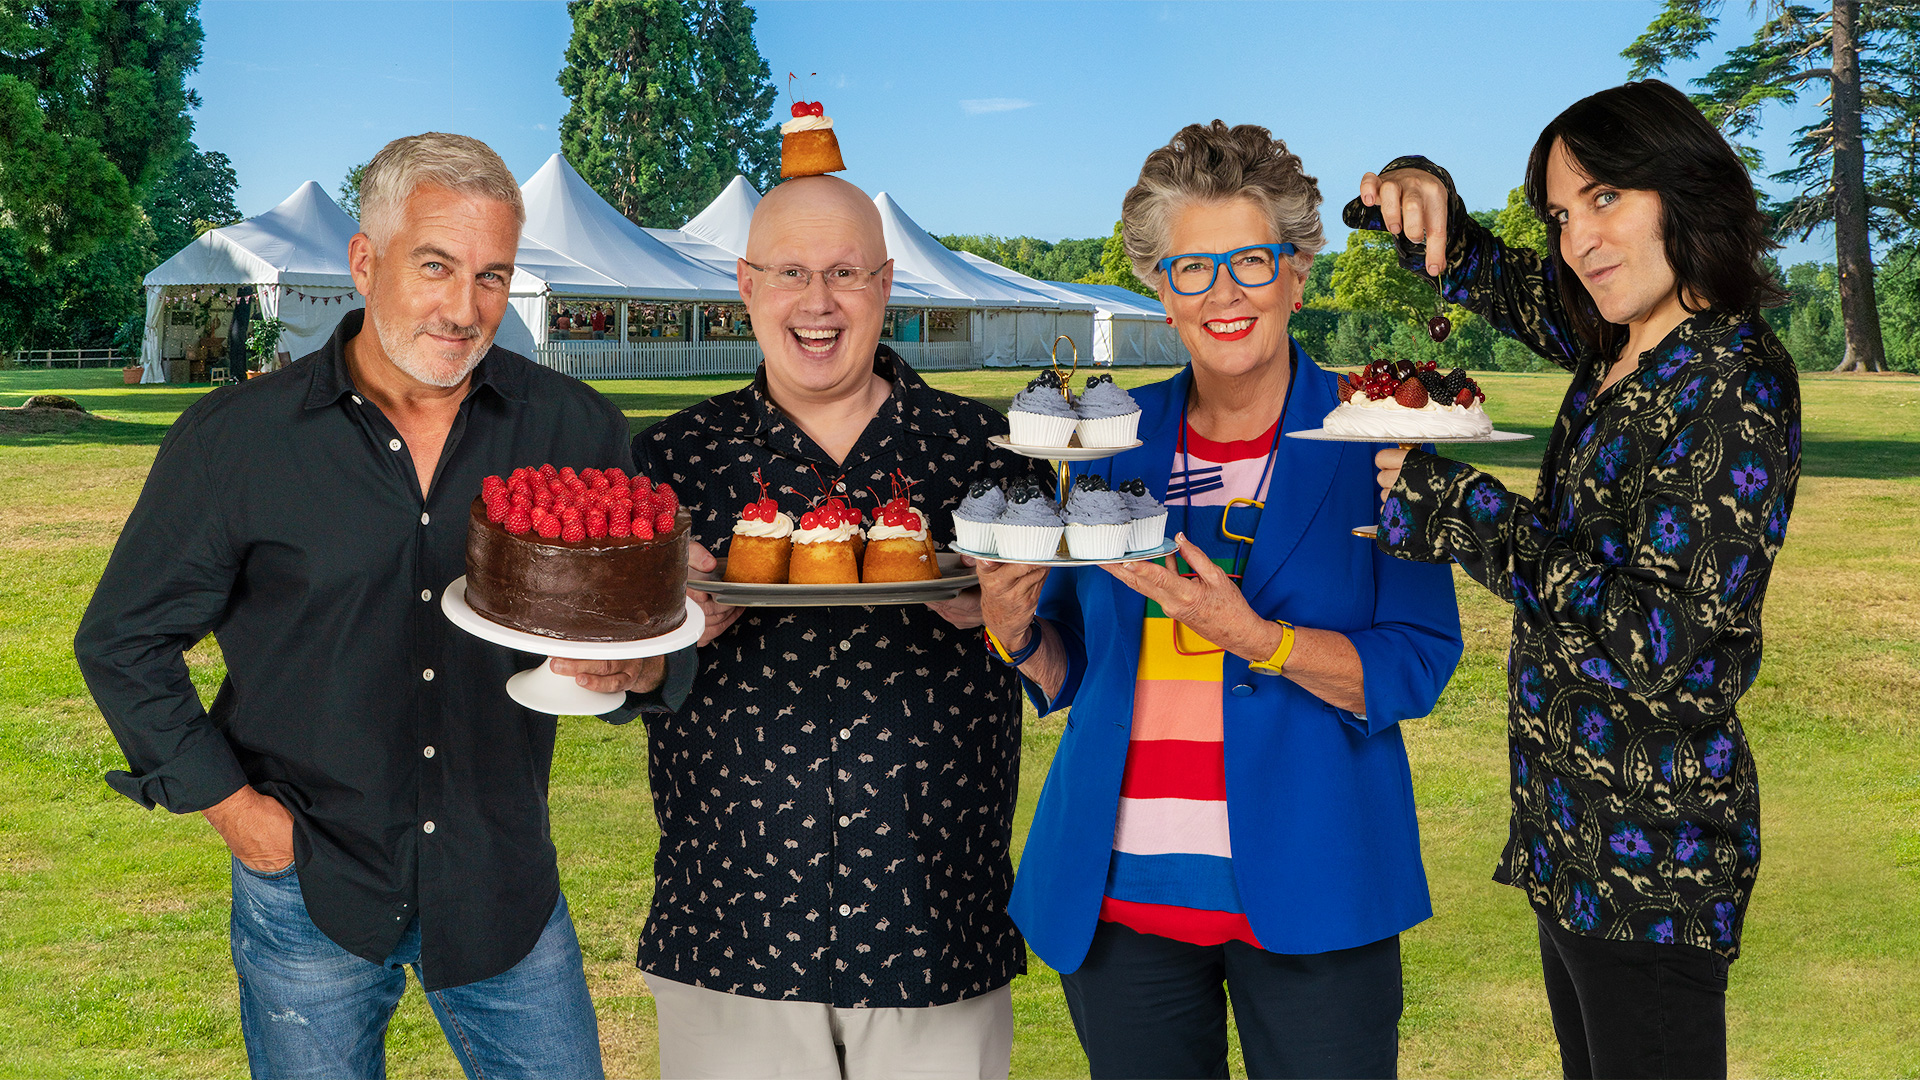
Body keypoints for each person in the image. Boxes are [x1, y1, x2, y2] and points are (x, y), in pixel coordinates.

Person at [74, 132, 680, 1080]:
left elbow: (641, 613)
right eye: (435, 266)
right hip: (309, 884)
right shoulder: (237, 442)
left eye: (492, 276)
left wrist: (643, 669)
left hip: (504, 882)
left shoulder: (576, 427)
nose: (466, 308)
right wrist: (238, 814)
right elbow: (122, 642)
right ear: (365, 260)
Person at [975, 121, 1464, 1079]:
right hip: (1120, 905)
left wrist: (1260, 640)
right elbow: (1073, 665)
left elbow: (1417, 661)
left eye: (1250, 260)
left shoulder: (1385, 438)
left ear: (1297, 272)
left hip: (1319, 889)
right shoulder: (1108, 438)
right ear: (1160, 289)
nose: (1224, 293)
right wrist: (1014, 633)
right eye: (1192, 269)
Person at [1363, 80, 1798, 1079]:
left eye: (1605, 198)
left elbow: (1670, 645)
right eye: (1564, 214)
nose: (1580, 239)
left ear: (1681, 188)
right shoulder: (1624, 340)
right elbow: (1509, 284)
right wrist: (1425, 206)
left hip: (1653, 861)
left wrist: (1470, 517)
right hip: (1571, 838)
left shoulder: (1728, 383)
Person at [630, 174, 1044, 1080]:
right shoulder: (669, 460)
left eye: (846, 275)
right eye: (790, 273)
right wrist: (664, 642)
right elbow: (619, 677)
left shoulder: (988, 451)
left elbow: (1060, 655)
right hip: (731, 927)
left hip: (936, 921)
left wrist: (1002, 614)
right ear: (746, 286)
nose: (817, 302)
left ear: (885, 286)